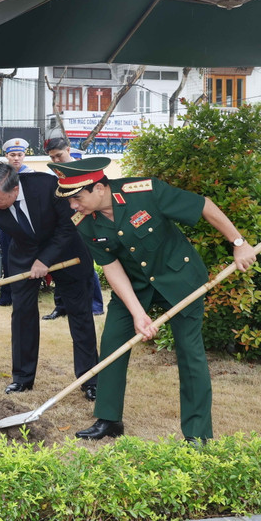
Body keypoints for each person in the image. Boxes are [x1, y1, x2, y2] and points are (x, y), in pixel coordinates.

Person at [53, 157, 255, 442]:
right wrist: (137, 314)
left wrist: (239, 243)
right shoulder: (85, 223)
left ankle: (197, 434)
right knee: (113, 344)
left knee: (189, 353)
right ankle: (109, 419)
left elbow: (204, 206)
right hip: (135, 287)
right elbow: (112, 269)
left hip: (180, 279)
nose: (73, 206)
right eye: (69, 200)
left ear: (99, 188)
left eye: (76, 198)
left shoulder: (146, 191)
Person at [0, 163, 100, 398]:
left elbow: (69, 226)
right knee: (23, 315)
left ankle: (90, 380)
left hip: (67, 252)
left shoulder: (47, 186)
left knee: (80, 314)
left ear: (14, 189)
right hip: (23, 257)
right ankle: (23, 378)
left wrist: (45, 260)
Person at [43, 136, 105, 318]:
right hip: (61, 228)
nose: (55, 160)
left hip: (84, 225)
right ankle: (61, 306)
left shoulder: (86, 171)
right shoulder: (53, 176)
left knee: (86, 267)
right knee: (58, 267)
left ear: (68, 150)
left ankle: (95, 305)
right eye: (52, 157)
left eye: (58, 156)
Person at [0, 138, 35, 307]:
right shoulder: (1, 176)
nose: (16, 158)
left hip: (25, 227)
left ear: (24, 156)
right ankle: (6, 297)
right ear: (6, 156)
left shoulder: (32, 175)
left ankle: (22, 297)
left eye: (20, 154)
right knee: (7, 262)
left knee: (25, 262)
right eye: (12, 155)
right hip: (6, 227)